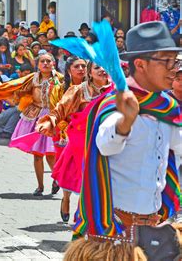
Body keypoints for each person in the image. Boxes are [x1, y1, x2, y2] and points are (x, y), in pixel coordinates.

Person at [65, 21, 182, 260]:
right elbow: (105, 143)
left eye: (176, 62)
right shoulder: (117, 103)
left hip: (157, 227)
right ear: (140, 64)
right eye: (167, 62)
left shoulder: (166, 107)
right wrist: (125, 122)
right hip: (116, 233)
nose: (174, 69)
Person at [0, 52, 64, 196]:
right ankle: (40, 186)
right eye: (42, 61)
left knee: (52, 154)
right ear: (38, 64)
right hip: (35, 117)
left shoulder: (61, 79)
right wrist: (1, 91)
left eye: (48, 61)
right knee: (38, 154)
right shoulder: (32, 78)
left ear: (53, 63)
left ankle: (57, 179)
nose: (45, 64)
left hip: (53, 118)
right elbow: (15, 88)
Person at [36, 61, 110, 223]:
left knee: (98, 179)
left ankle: (85, 212)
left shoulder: (116, 90)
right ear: (90, 73)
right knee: (76, 174)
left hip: (108, 141)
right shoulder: (78, 90)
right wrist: (50, 121)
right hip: (81, 140)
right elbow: (60, 109)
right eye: (97, 67)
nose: (102, 70)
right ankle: (67, 199)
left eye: (105, 66)